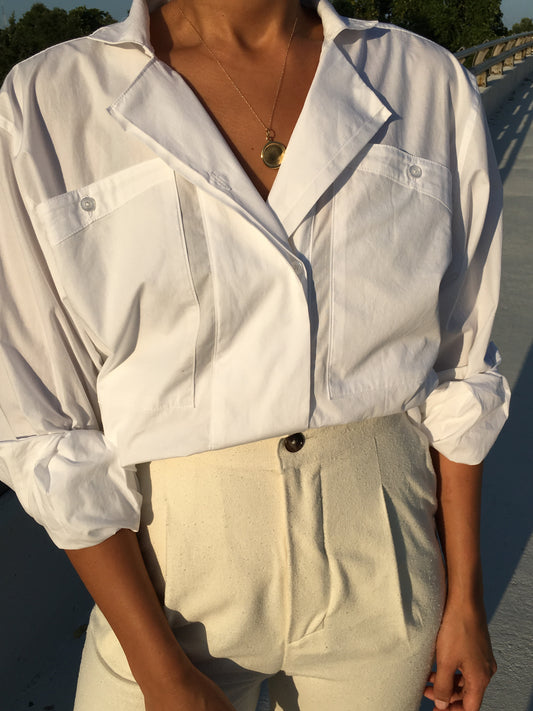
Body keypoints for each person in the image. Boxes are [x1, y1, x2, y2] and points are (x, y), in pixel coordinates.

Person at [0, 0, 510, 709]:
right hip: (170, 579)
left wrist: (465, 599)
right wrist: (158, 669)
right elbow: (40, 412)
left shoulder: (423, 80)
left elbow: (461, 366)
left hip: (383, 554)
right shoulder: (49, 100)